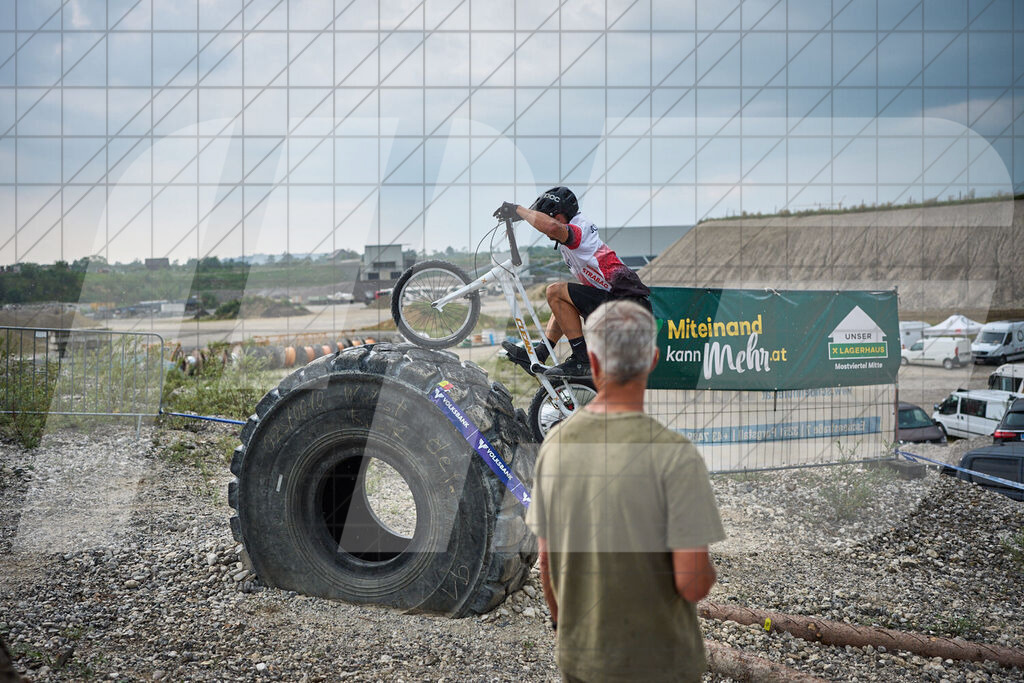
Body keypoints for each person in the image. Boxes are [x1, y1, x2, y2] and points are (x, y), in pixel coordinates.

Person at [524, 300, 725, 683]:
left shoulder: (555, 446)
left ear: (595, 365)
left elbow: (547, 563)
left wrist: (561, 626)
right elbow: (693, 582)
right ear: (652, 360)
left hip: (582, 658)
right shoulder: (676, 456)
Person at [493, 187, 651, 378]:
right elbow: (552, 226)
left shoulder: (580, 227)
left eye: (547, 218)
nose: (544, 231)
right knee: (561, 301)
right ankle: (541, 353)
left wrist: (519, 209)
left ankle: (582, 360)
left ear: (559, 217)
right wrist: (525, 216)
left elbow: (552, 227)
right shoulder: (568, 242)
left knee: (555, 291)